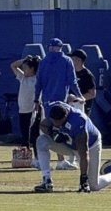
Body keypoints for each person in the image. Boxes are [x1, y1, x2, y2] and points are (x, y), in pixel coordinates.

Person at [33, 102, 111, 193]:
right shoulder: (54, 110)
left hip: (90, 146)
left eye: (57, 121)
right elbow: (43, 125)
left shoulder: (78, 122)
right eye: (53, 121)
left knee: (94, 186)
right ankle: (47, 180)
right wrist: (52, 133)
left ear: (65, 117)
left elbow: (83, 153)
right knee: (41, 140)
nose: (55, 123)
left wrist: (83, 178)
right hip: (68, 143)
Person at [35, 38, 82, 170]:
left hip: (46, 101)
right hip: (62, 102)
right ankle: (62, 159)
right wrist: (79, 96)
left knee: (48, 129)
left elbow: (39, 82)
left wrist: (36, 99)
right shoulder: (66, 60)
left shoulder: (44, 62)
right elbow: (72, 81)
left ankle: (48, 159)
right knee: (62, 127)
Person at [11, 55, 40, 148]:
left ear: (32, 69)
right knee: (24, 131)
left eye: (26, 68)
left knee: (32, 132)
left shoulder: (37, 79)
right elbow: (13, 65)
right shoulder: (22, 77)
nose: (23, 70)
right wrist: (25, 60)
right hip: (22, 110)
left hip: (31, 109)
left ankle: (35, 151)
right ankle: (25, 149)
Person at [68, 49, 96, 115]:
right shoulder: (71, 72)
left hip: (82, 108)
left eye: (72, 59)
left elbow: (92, 94)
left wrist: (76, 99)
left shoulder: (87, 75)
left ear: (78, 60)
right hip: (70, 106)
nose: (70, 60)